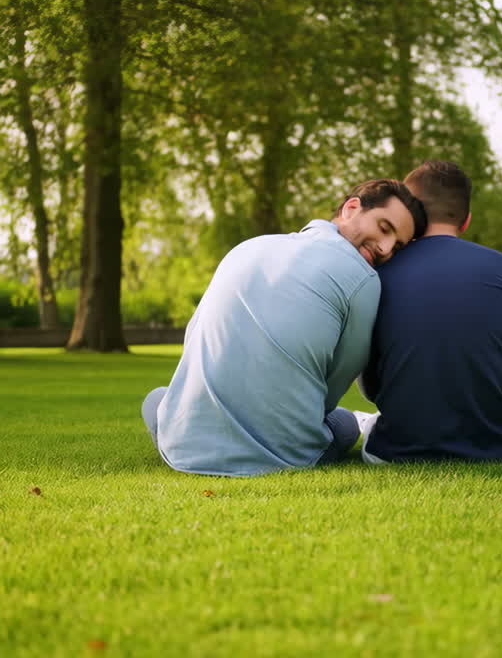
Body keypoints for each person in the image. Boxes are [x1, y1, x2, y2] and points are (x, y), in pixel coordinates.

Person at [141, 179, 427, 477]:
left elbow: (194, 345)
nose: (385, 248)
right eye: (384, 228)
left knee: (157, 399)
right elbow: (331, 392)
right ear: (351, 208)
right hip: (283, 455)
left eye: (397, 246)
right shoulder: (364, 281)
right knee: (346, 424)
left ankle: (192, 439)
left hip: (186, 447)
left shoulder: (247, 247)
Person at [359, 160, 502, 464]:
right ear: (466, 221)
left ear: (411, 213)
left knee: (372, 418)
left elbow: (370, 386)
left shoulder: (377, 275)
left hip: (394, 450)